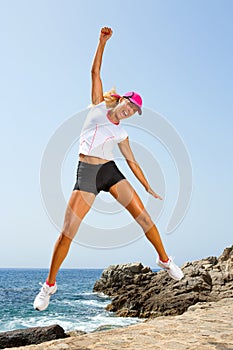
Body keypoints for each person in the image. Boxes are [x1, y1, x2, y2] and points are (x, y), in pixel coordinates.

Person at [33, 27, 184, 312]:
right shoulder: (97, 106)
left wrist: (148, 186)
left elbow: (132, 162)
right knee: (67, 233)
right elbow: (95, 72)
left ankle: (164, 259)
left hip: (110, 172)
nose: (130, 111)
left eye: (135, 111)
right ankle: (48, 286)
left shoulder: (122, 135)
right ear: (123, 100)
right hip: (87, 174)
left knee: (144, 218)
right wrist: (101, 42)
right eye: (130, 105)